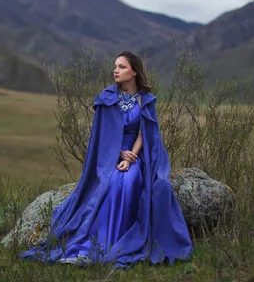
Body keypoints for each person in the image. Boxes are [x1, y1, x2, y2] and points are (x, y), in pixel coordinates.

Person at [21, 51, 192, 267]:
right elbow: (101, 135)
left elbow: (145, 132)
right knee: (111, 183)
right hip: (109, 155)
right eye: (115, 66)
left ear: (134, 72)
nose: (116, 70)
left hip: (135, 155)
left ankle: (120, 242)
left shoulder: (145, 100)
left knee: (130, 182)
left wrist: (131, 157)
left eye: (121, 67)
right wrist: (119, 153)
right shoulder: (108, 98)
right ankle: (97, 243)